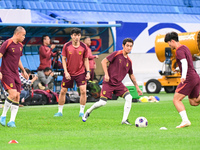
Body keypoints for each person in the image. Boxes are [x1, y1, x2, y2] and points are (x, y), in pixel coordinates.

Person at [82, 38, 143, 125]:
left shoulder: (129, 61)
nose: (129, 48)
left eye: (131, 46)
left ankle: (124, 120)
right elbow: (104, 62)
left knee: (129, 97)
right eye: (127, 46)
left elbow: (131, 75)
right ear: (123, 46)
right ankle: (88, 111)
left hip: (118, 84)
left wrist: (137, 88)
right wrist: (106, 74)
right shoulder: (117, 54)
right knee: (102, 103)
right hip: (109, 83)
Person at [164, 31, 200, 128]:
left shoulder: (179, 50)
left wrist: (183, 75)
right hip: (195, 76)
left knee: (176, 100)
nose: (169, 46)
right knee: (194, 101)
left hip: (189, 78)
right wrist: (178, 68)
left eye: (169, 43)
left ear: (172, 41)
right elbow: (187, 62)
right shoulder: (185, 47)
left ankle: (185, 121)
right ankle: (185, 121)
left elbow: (184, 62)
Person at [54, 28, 90, 117]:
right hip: (69, 72)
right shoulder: (66, 46)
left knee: (83, 91)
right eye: (74, 35)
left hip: (80, 72)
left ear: (80, 36)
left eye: (78, 35)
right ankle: (60, 111)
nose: (76, 37)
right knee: (62, 91)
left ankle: (81, 112)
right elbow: (63, 59)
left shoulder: (84, 46)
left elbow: (86, 59)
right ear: (71, 36)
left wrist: (88, 72)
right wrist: (66, 72)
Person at [0, 26, 28, 127]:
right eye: (23, 35)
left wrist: (23, 70)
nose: (24, 37)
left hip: (16, 73)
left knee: (17, 96)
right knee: (12, 94)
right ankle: (3, 115)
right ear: (17, 34)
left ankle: (12, 121)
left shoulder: (20, 45)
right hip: (6, 72)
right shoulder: (7, 43)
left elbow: (18, 59)